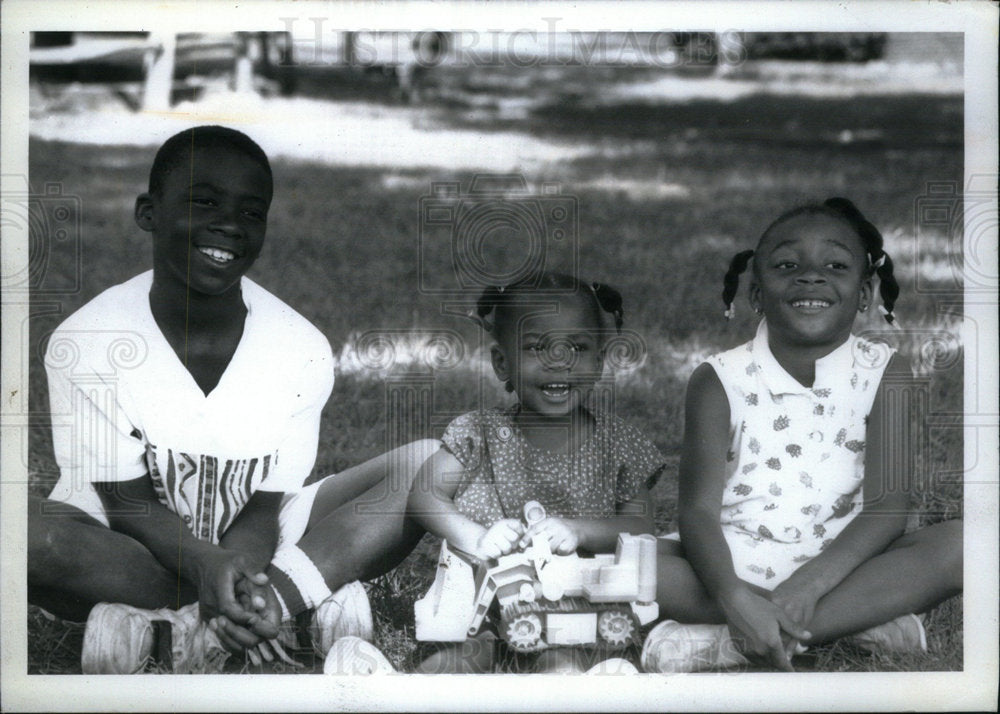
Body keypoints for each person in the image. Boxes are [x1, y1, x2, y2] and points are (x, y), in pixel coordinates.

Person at [28, 125, 438, 673]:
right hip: (131, 541)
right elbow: (128, 504)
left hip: (261, 534)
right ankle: (299, 598)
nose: (229, 224)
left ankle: (250, 609)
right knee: (25, 533)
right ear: (148, 212)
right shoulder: (88, 341)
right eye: (204, 201)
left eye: (251, 212)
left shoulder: (301, 348)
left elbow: (265, 505)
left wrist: (238, 569)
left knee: (433, 462)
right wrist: (208, 565)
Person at [641, 198, 963, 673]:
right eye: (787, 265)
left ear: (865, 294)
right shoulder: (718, 378)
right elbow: (698, 513)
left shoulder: (885, 373)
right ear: (755, 295)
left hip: (844, 568)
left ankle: (732, 641)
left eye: (835, 265)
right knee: (636, 564)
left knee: (963, 546)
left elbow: (889, 508)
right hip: (732, 565)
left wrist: (807, 586)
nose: (811, 277)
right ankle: (857, 627)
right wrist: (731, 594)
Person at [403, 271, 667, 673]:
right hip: (489, 595)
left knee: (561, 657)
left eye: (576, 348)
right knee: (455, 662)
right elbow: (424, 495)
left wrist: (579, 531)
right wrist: (476, 537)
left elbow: (640, 523)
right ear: (501, 362)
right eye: (537, 347)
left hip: (573, 593)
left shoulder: (619, 444)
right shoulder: (479, 433)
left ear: (598, 361)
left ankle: (572, 675)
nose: (558, 363)